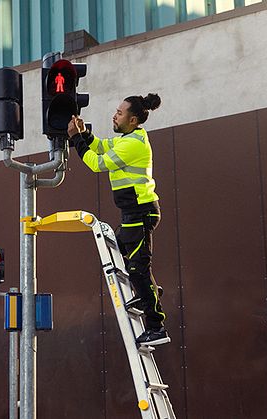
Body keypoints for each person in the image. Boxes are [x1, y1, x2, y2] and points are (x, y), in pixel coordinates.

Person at [67, 93, 169, 346]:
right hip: (133, 212)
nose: (115, 115)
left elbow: (97, 163)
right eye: (116, 110)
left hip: (139, 212)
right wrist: (84, 134)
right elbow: (101, 146)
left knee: (137, 268)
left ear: (133, 120)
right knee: (123, 248)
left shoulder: (132, 144)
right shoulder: (129, 139)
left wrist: (76, 139)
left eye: (120, 113)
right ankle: (150, 292)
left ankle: (157, 326)